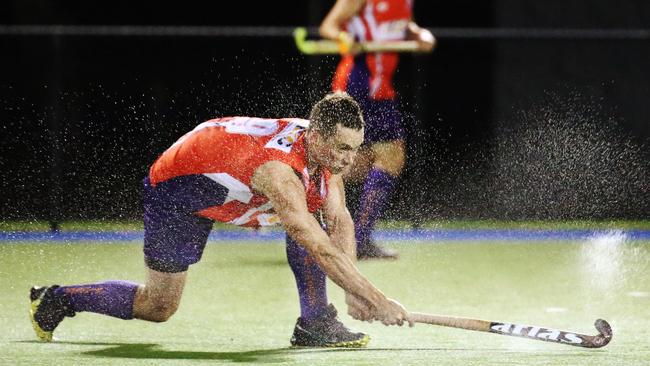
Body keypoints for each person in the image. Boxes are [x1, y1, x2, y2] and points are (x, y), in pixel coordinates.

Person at [29, 92, 413, 348]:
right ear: (315, 136)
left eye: (355, 149)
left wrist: (354, 294)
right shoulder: (280, 171)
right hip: (180, 189)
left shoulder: (325, 151)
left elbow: (340, 219)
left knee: (315, 214)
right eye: (343, 148)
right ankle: (57, 298)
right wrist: (376, 299)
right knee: (158, 306)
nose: (349, 160)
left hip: (234, 185)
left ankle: (316, 322)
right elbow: (315, 241)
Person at [319, 0, 435, 260]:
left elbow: (402, 25)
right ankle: (351, 235)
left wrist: (418, 34)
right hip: (357, 81)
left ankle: (355, 237)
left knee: (361, 164)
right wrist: (343, 38)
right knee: (374, 159)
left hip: (381, 87)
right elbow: (328, 26)